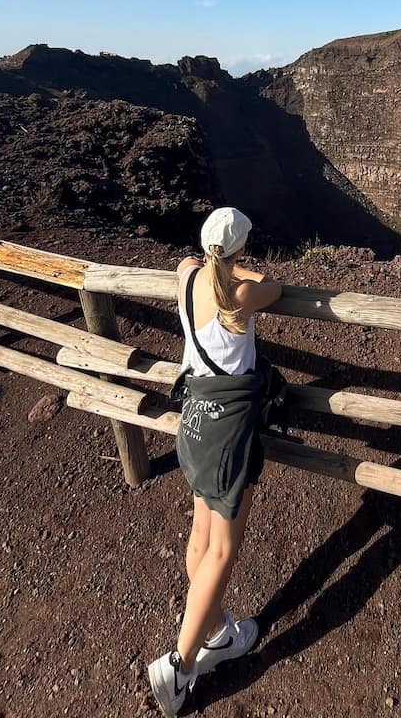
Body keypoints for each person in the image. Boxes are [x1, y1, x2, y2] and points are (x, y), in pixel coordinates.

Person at [148, 206, 283, 717]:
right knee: (222, 550)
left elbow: (185, 263)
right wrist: (243, 270)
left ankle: (218, 630)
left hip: (194, 424)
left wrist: (215, 264)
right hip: (227, 432)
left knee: (200, 539)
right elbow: (273, 286)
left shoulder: (187, 278)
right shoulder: (244, 293)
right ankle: (180, 666)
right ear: (241, 248)